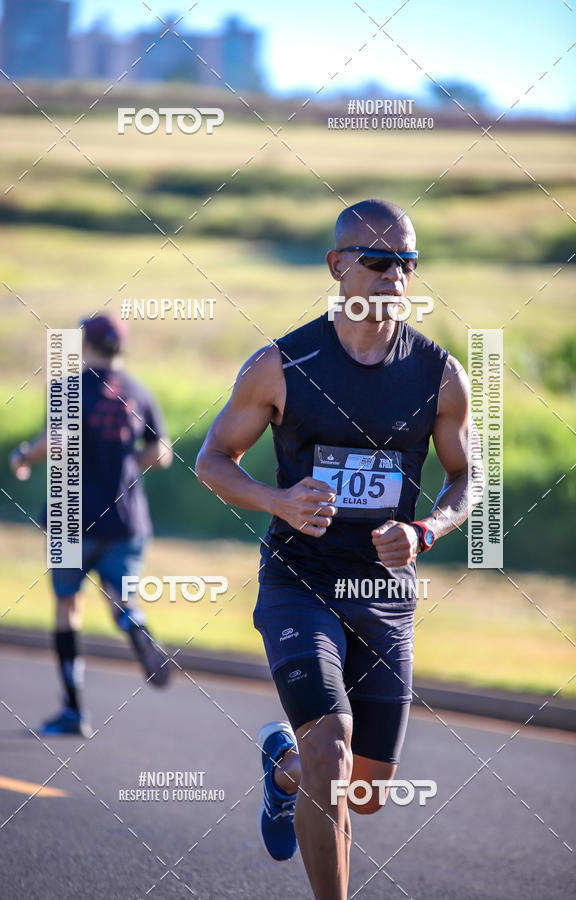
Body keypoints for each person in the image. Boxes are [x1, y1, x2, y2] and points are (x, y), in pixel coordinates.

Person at [196, 199, 482, 899]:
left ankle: (283, 768)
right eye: (379, 260)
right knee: (333, 752)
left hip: (384, 595)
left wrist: (425, 531)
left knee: (366, 792)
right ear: (338, 266)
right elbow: (212, 461)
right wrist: (278, 500)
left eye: (407, 262)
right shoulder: (282, 365)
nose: (395, 274)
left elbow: (467, 477)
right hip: (301, 583)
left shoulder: (438, 375)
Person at [9, 314, 173, 737]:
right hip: (126, 519)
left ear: (85, 344)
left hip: (71, 520)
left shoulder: (69, 388)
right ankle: (134, 625)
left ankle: (73, 711)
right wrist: (128, 465)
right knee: (122, 599)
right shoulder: (138, 390)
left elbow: (58, 440)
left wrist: (24, 456)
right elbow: (162, 452)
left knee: (68, 607)